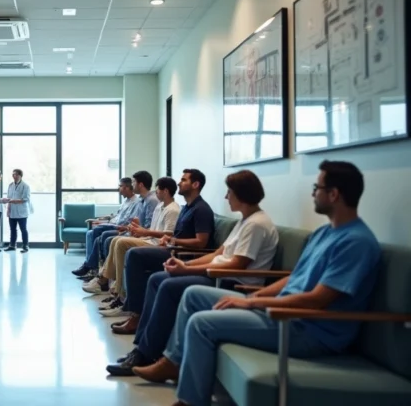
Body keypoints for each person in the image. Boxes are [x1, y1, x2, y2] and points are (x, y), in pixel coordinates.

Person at [133, 161, 380, 406]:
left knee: (202, 322)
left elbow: (318, 299)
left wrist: (253, 302)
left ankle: (190, 401)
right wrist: (254, 300)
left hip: (306, 328)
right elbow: (293, 279)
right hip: (282, 311)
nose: (313, 192)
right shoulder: (324, 233)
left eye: (318, 187)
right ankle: (172, 362)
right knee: (193, 295)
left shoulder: (356, 242)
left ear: (334, 194)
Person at [107, 170, 278, 376]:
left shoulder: (257, 224)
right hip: (216, 274)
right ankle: (143, 349)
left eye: (229, 192)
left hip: (232, 282)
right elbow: (218, 253)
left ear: (242, 194)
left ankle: (148, 354)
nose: (226, 197)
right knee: (156, 279)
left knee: (168, 285)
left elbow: (237, 265)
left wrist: (188, 268)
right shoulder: (244, 221)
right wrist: (184, 264)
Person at [112, 169, 214, 334]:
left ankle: (136, 315)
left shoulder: (201, 209)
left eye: (183, 180)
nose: (179, 183)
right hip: (171, 248)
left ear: (195, 185)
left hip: (180, 253)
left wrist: (172, 240)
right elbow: (174, 233)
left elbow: (201, 242)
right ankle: (135, 312)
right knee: (134, 255)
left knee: (134, 254)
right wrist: (168, 239)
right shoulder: (187, 207)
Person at [89, 177, 181, 313]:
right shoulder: (160, 206)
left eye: (158, 190)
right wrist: (139, 229)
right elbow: (152, 229)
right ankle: (111, 286)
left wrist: (144, 231)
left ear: (165, 191)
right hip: (150, 239)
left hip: (157, 244)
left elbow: (168, 234)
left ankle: (118, 293)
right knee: (115, 240)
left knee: (120, 242)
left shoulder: (173, 210)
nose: (155, 192)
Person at [77, 171, 160, 283]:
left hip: (141, 234)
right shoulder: (142, 200)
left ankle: (103, 277)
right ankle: (100, 274)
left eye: (134, 182)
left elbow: (148, 225)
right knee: (98, 235)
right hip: (132, 230)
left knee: (106, 236)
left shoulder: (150, 200)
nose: (132, 185)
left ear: (140, 184)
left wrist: (128, 228)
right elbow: (136, 221)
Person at [72, 178, 139, 277]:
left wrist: (119, 225)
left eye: (120, 186)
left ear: (126, 187)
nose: (118, 189)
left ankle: (90, 267)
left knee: (97, 231)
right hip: (114, 223)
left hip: (120, 227)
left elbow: (129, 221)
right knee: (90, 233)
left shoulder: (135, 202)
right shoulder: (126, 201)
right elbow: (118, 216)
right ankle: (90, 266)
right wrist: (106, 218)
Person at [6, 169, 31, 253]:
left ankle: (25, 246)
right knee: (12, 229)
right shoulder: (10, 185)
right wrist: (8, 208)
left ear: (20, 175)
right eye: (13, 174)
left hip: (22, 212)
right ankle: (12, 245)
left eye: (16, 175)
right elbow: (8, 197)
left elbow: (25, 199)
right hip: (12, 211)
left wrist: (12, 201)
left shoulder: (25, 186)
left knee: (23, 229)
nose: (14, 176)